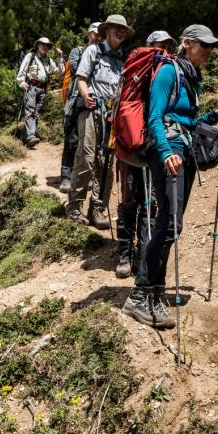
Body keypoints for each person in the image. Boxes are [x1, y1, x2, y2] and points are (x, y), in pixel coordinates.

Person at [122, 25, 218, 328]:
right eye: (204, 46)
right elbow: (155, 116)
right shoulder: (169, 71)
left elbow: (185, 120)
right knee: (171, 223)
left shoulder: (190, 76)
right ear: (186, 44)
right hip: (168, 152)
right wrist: (165, 150)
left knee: (170, 224)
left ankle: (155, 293)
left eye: (210, 46)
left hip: (182, 150)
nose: (209, 51)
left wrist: (212, 116)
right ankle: (139, 294)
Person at [114, 30, 178, 278]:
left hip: (142, 143)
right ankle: (127, 253)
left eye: (166, 47)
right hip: (139, 142)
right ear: (150, 46)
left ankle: (136, 254)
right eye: (161, 46)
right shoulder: (140, 69)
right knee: (138, 200)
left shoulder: (143, 69)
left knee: (143, 201)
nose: (164, 51)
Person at [67, 15, 133, 229]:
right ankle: (74, 207)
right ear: (107, 30)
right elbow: (81, 78)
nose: (121, 32)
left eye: (123, 29)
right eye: (117, 28)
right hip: (92, 110)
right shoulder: (94, 51)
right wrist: (86, 97)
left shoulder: (122, 59)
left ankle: (97, 208)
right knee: (86, 157)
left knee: (106, 162)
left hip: (112, 116)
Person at [60, 23, 101, 192]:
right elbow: (78, 70)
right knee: (72, 139)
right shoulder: (78, 51)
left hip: (93, 103)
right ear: (88, 34)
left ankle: (85, 177)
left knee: (90, 143)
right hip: (76, 100)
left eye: (100, 34)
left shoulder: (105, 55)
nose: (97, 37)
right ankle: (66, 177)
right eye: (94, 33)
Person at [17, 37, 64, 147]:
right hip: (31, 86)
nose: (45, 47)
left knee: (36, 113)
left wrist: (60, 57)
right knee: (30, 111)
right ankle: (31, 136)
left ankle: (27, 137)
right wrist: (21, 82)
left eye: (47, 45)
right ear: (37, 46)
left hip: (43, 89)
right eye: (42, 44)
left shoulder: (49, 60)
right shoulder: (31, 56)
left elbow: (59, 73)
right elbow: (23, 69)